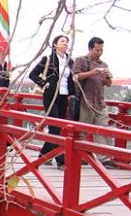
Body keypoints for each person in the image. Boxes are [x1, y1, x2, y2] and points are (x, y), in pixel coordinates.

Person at [28, 34, 78, 167]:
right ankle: (61, 160)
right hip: (50, 96)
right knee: (54, 127)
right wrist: (44, 83)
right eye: (62, 41)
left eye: (67, 42)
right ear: (55, 44)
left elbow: (71, 80)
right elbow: (32, 74)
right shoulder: (48, 59)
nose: (66, 43)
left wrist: (73, 93)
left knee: (57, 128)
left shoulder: (70, 61)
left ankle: (43, 156)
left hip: (64, 96)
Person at [74, 37, 115, 167]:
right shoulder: (81, 60)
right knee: (83, 130)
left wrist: (108, 76)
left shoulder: (104, 65)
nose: (99, 52)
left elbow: (108, 84)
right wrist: (92, 72)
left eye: (101, 50)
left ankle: (105, 158)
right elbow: (76, 76)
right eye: (97, 50)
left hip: (100, 102)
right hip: (85, 101)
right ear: (90, 48)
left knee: (103, 129)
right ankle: (82, 155)